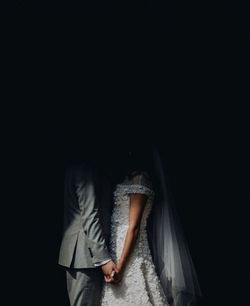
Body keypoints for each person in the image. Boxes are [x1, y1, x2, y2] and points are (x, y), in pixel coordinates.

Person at [58, 158, 119, 306]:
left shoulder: (86, 166)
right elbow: (90, 216)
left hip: (88, 255)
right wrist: (103, 259)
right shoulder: (85, 167)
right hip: (84, 256)